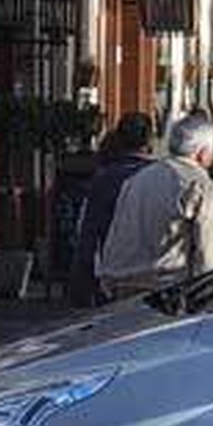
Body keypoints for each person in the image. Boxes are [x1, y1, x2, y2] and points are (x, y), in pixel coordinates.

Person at [98, 113, 213, 299]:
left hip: (121, 288)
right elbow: (211, 257)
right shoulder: (200, 186)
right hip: (166, 293)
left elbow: (115, 235)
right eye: (212, 149)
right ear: (202, 153)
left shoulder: (137, 180)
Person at [68, 112, 153, 307]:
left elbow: (90, 233)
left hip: (115, 275)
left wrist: (81, 283)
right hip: (156, 274)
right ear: (150, 140)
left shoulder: (105, 179)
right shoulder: (162, 177)